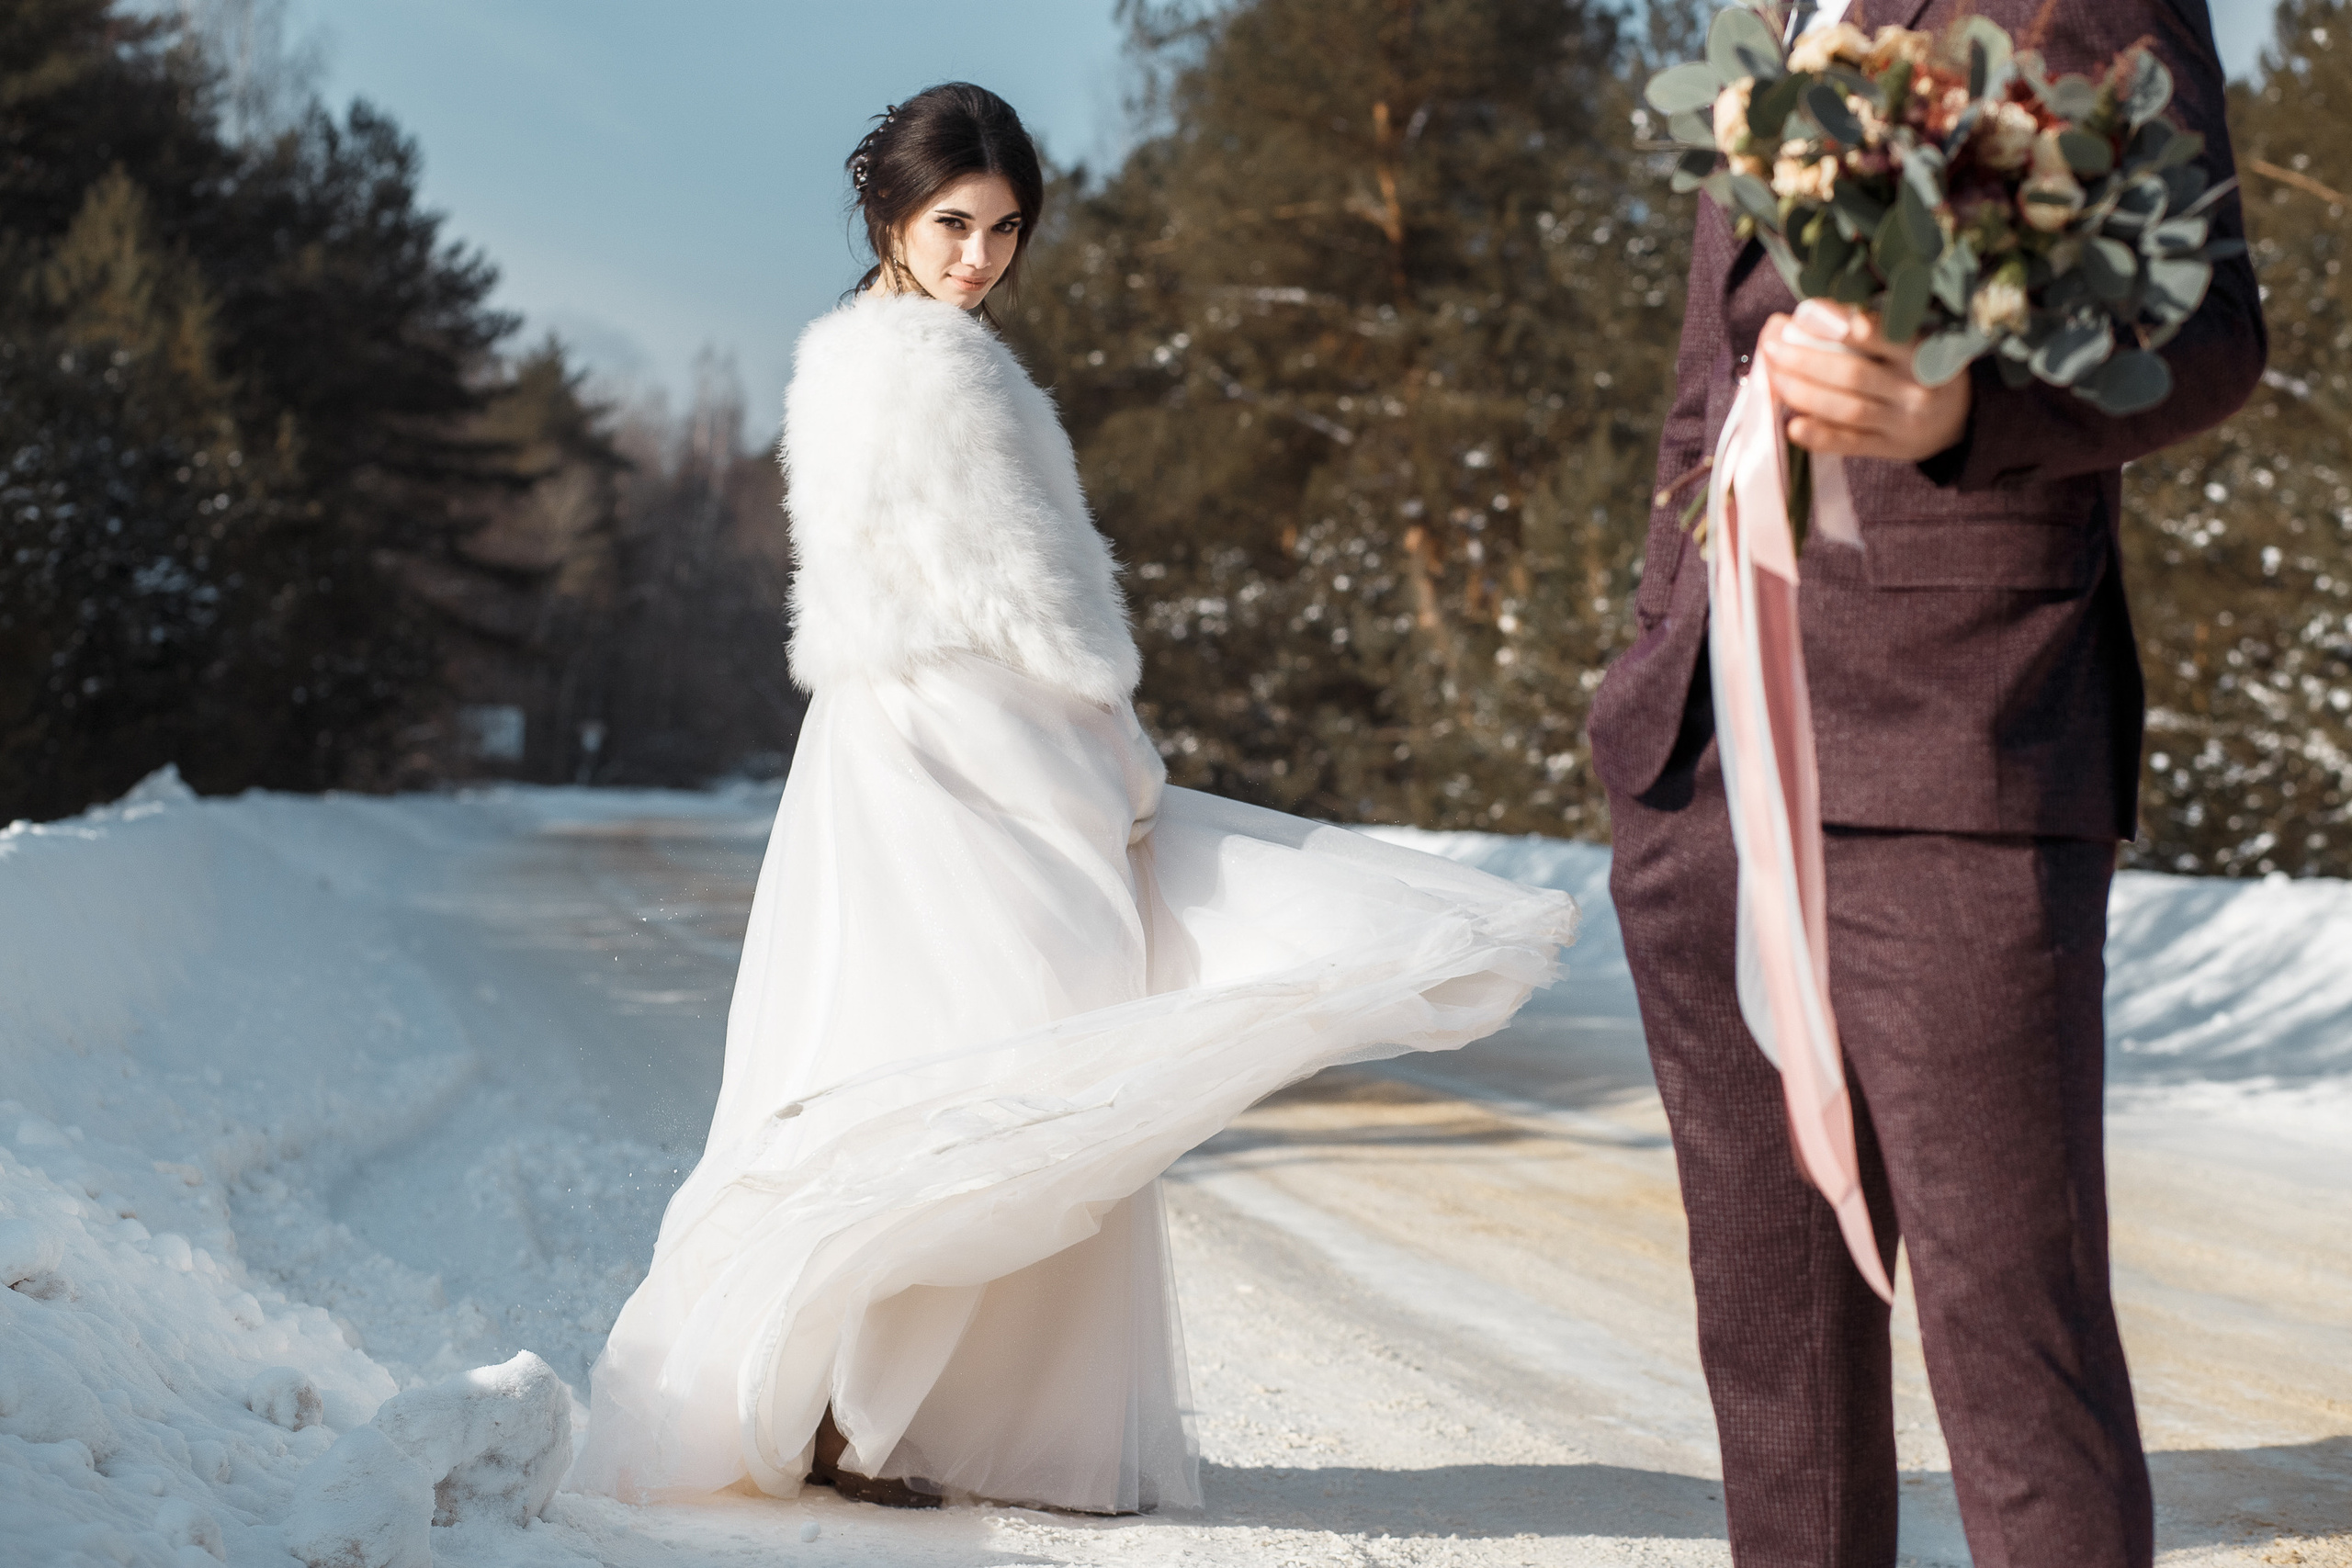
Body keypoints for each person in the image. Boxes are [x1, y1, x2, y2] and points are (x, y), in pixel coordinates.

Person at [571, 81, 1579, 1517]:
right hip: (963, 751)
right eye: (951, 224)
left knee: (922, 1062)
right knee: (991, 1064)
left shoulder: (863, 356)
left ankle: (861, 1407)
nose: (979, 256)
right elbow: (1022, 610)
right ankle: (869, 1412)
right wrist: (1114, 737)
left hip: (911, 741)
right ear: (891, 220)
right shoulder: (926, 368)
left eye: (1002, 228)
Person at [1586, 2, 2263, 1565]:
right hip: (1703, 767)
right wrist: (1650, 660)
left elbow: (2213, 328)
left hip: (1962, 742)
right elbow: (1716, 379)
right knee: (1777, 1377)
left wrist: (1977, 409)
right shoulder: (1766, 17)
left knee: (2014, 1365)